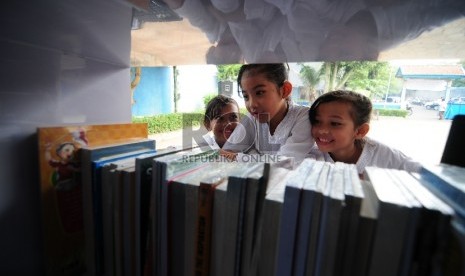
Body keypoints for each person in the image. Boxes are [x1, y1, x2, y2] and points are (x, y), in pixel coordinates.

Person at [307, 90, 422, 175]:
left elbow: (426, 178)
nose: (322, 130)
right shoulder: (309, 155)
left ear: (360, 131)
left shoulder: (387, 158)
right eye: (317, 121)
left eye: (335, 123)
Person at [221, 63, 314, 166]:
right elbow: (226, 153)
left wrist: (244, 156)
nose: (252, 104)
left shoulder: (303, 117)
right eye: (246, 96)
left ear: (284, 90)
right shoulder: (253, 117)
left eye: (260, 92)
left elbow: (285, 163)